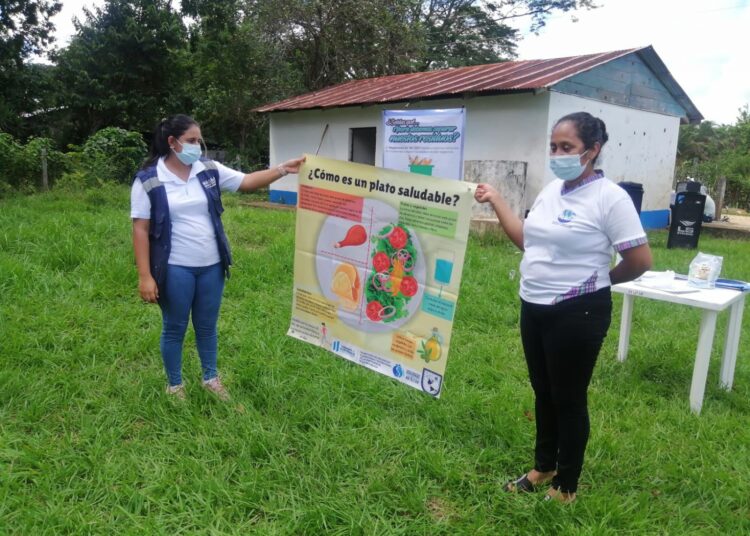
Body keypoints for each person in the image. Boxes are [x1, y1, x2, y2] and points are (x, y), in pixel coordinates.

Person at [474, 112, 652, 503]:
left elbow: (640, 260)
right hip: (533, 305)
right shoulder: (551, 191)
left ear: (593, 150)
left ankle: (566, 485)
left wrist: (600, 282)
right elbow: (527, 241)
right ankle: (544, 467)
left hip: (578, 311)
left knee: (568, 398)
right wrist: (498, 200)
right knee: (543, 391)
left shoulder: (610, 198)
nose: (557, 154)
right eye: (553, 147)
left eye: (567, 147)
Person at [131, 114, 304, 400]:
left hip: (212, 265)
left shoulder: (207, 169)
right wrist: (145, 276)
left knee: (207, 326)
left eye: (199, 140)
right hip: (175, 268)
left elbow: (247, 181)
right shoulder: (149, 179)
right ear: (172, 142)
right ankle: (175, 385)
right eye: (191, 140)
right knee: (174, 328)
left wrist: (283, 169)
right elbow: (140, 228)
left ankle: (210, 379)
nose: (197, 146)